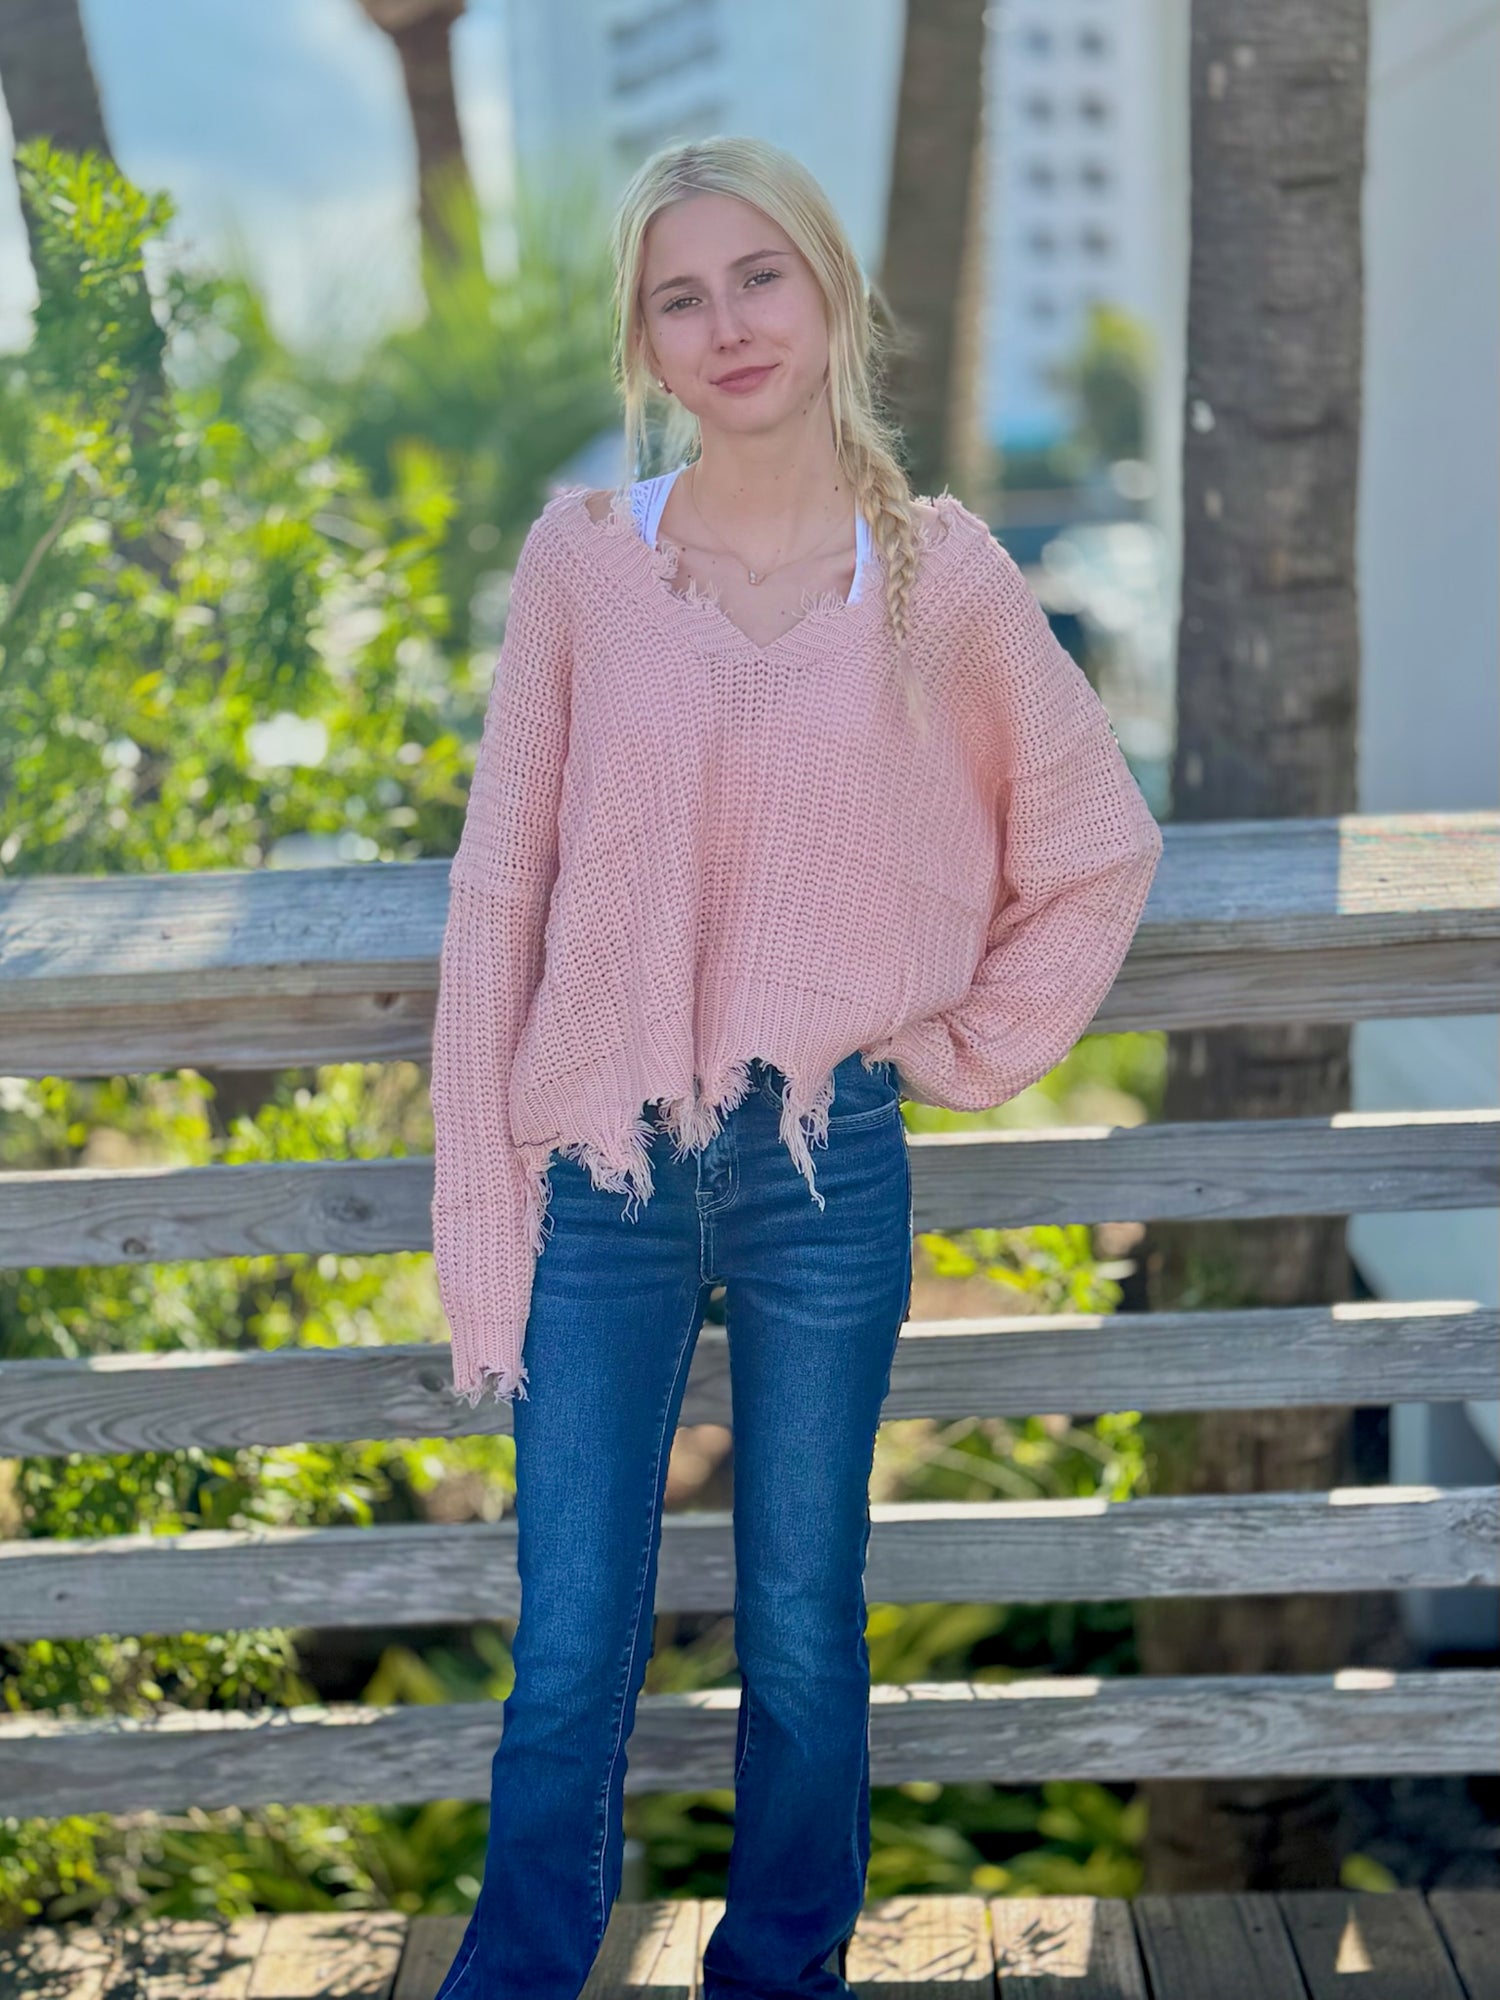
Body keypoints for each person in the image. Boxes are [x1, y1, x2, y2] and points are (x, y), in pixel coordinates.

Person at [428, 134, 1163, 2000]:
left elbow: (1095, 843)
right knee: (573, 1634)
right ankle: (516, 1978)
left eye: (759, 275)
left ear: (830, 290)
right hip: (601, 1158)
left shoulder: (944, 579)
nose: (727, 321)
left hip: (826, 1156)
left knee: (806, 1628)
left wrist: (965, 1043)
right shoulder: (585, 565)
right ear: (646, 344)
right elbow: (501, 879)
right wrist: (482, 1170)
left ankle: (783, 1975)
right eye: (681, 294)